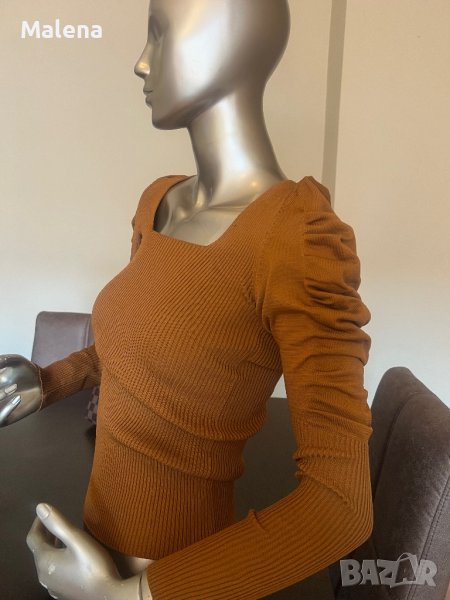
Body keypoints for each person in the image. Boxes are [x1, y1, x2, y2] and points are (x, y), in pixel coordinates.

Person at [0, 1, 374, 598]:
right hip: (94, 541)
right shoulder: (160, 202)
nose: (141, 63)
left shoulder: (297, 236)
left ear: (231, 45)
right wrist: (46, 383)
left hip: (171, 572)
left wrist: (127, 597)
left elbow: (340, 507)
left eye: (160, 35)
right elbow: (134, 351)